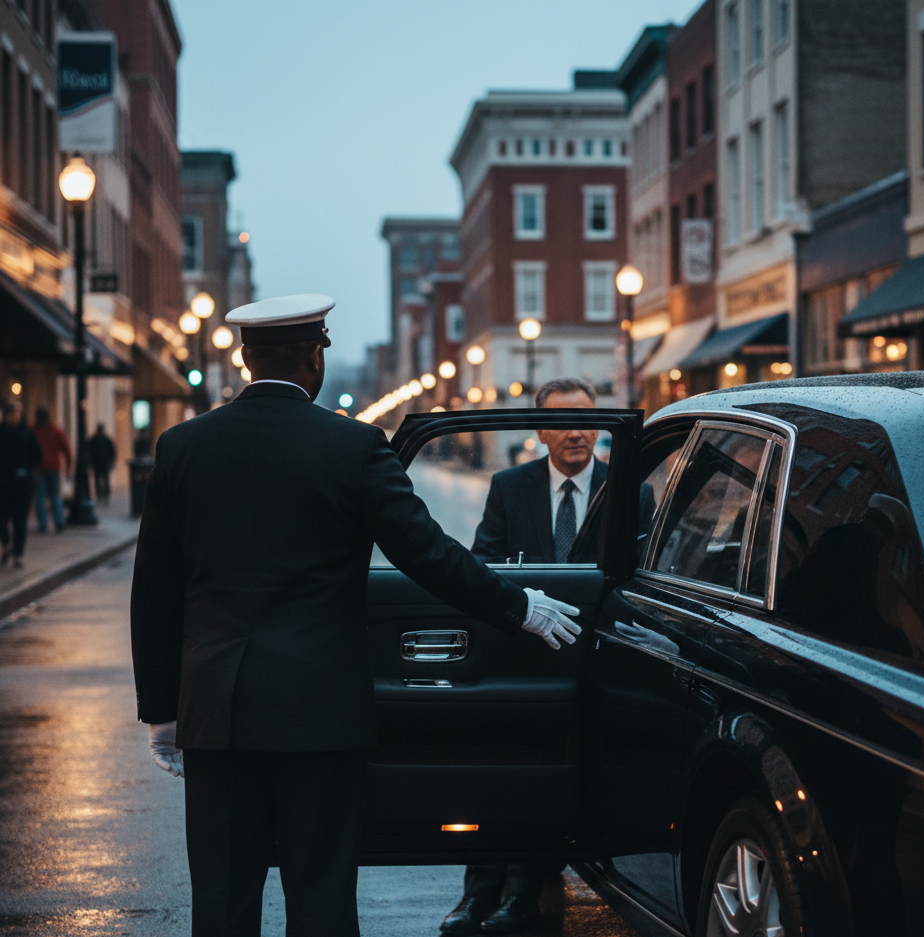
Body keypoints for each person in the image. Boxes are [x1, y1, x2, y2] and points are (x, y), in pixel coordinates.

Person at [130, 294, 583, 937]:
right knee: (320, 898)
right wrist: (520, 607)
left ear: (244, 357)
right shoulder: (353, 446)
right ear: (317, 355)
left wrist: (161, 710)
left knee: (223, 900)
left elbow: (155, 589)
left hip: (216, 709)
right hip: (319, 710)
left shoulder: (181, 448)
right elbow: (428, 555)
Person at [442, 378, 654, 935]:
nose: (577, 432)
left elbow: (641, 577)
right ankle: (476, 895)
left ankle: (525, 893)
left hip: (599, 661)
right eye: (562, 421)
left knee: (560, 775)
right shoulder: (510, 487)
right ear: (541, 431)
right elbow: (483, 565)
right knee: (504, 770)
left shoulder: (630, 491)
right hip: (527, 657)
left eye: (587, 420)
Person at [0, 400, 42, 570]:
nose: (14, 417)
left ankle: (18, 553)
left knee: (20, 519)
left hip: (22, 482)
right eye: (11, 413)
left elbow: (37, 455)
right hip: (3, 481)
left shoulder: (27, 432)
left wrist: (28, 470)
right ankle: (7, 542)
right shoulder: (1, 433)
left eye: (16, 414)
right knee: (1, 516)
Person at [32, 407, 72, 533]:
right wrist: (68, 467)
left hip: (39, 469)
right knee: (55, 496)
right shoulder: (56, 431)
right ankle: (59, 521)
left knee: (40, 497)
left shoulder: (34, 431)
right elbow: (67, 450)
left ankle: (43, 524)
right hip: (54, 468)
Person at [88, 423, 116, 501]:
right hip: (102, 463)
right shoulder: (105, 440)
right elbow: (112, 452)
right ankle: (103, 494)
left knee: (101, 479)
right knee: (104, 479)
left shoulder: (95, 440)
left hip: (99, 463)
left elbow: (112, 452)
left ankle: (102, 494)